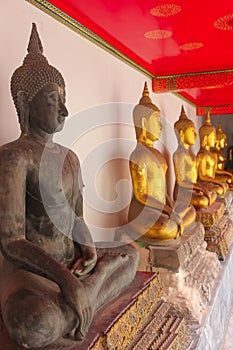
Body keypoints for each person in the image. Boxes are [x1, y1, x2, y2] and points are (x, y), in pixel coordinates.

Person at [0, 23, 138, 349]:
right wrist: (66, 282)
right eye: (52, 100)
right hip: (29, 270)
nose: (64, 110)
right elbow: (12, 242)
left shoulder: (70, 157)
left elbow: (76, 220)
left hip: (71, 261)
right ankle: (87, 294)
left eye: (63, 99)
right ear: (24, 102)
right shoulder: (13, 157)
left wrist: (88, 249)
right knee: (31, 324)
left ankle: (88, 291)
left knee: (130, 254)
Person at [127, 83, 196, 241]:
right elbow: (142, 195)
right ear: (144, 124)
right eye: (157, 121)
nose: (161, 127)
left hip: (161, 208)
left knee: (190, 209)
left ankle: (178, 225)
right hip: (143, 212)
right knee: (164, 227)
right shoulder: (138, 155)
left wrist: (171, 207)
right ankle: (176, 226)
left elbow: (162, 190)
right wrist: (169, 211)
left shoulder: (157, 154)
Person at [173, 106, 217, 209]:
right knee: (203, 201)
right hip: (183, 192)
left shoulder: (191, 154)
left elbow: (196, 178)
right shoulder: (179, 154)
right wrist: (202, 189)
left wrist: (201, 188)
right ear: (181, 134)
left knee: (213, 193)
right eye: (192, 131)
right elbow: (181, 181)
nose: (196, 135)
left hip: (194, 189)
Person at [197, 111, 229, 196]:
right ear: (205, 138)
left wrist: (227, 174)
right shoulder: (202, 155)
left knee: (224, 186)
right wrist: (218, 182)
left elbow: (215, 171)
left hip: (211, 181)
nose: (215, 140)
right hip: (205, 183)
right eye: (213, 137)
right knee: (219, 189)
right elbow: (202, 176)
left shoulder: (210, 154)